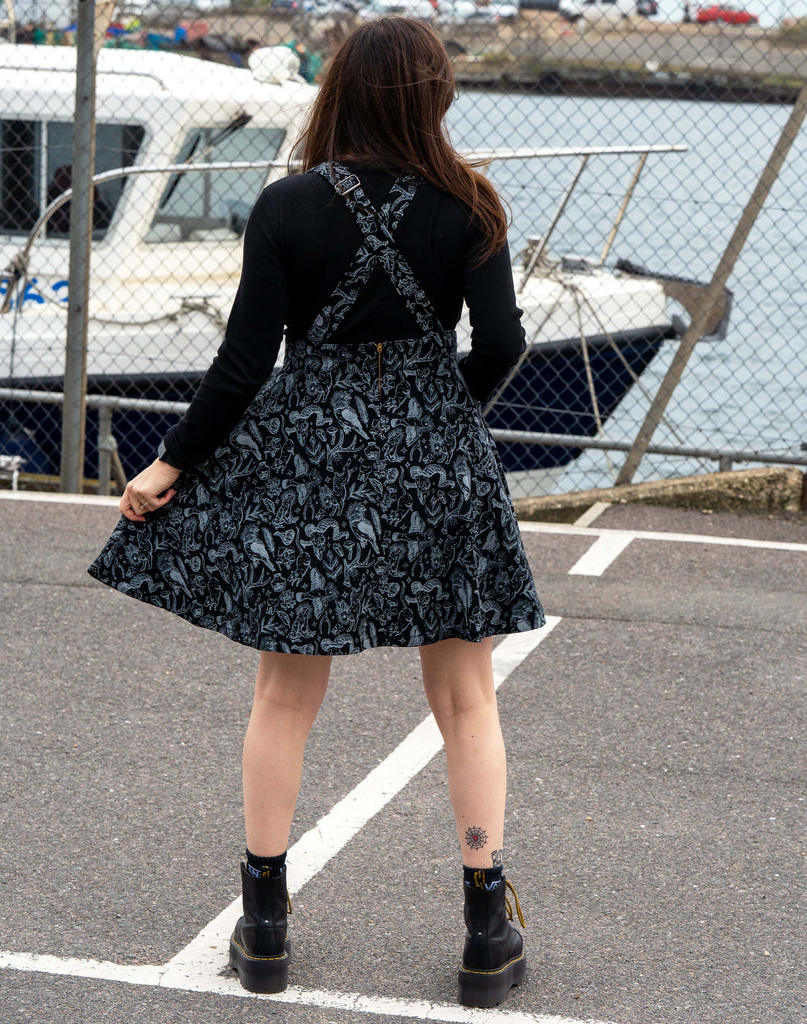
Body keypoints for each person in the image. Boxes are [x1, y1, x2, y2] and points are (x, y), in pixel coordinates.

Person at [89, 17, 544, 1009]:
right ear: (432, 94)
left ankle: (263, 926)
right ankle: (484, 929)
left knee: (285, 696)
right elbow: (503, 341)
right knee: (466, 697)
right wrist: (444, 414)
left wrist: (171, 464)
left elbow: (245, 365)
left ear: (340, 90)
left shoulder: (289, 203)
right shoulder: (473, 203)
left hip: (313, 452)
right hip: (440, 452)